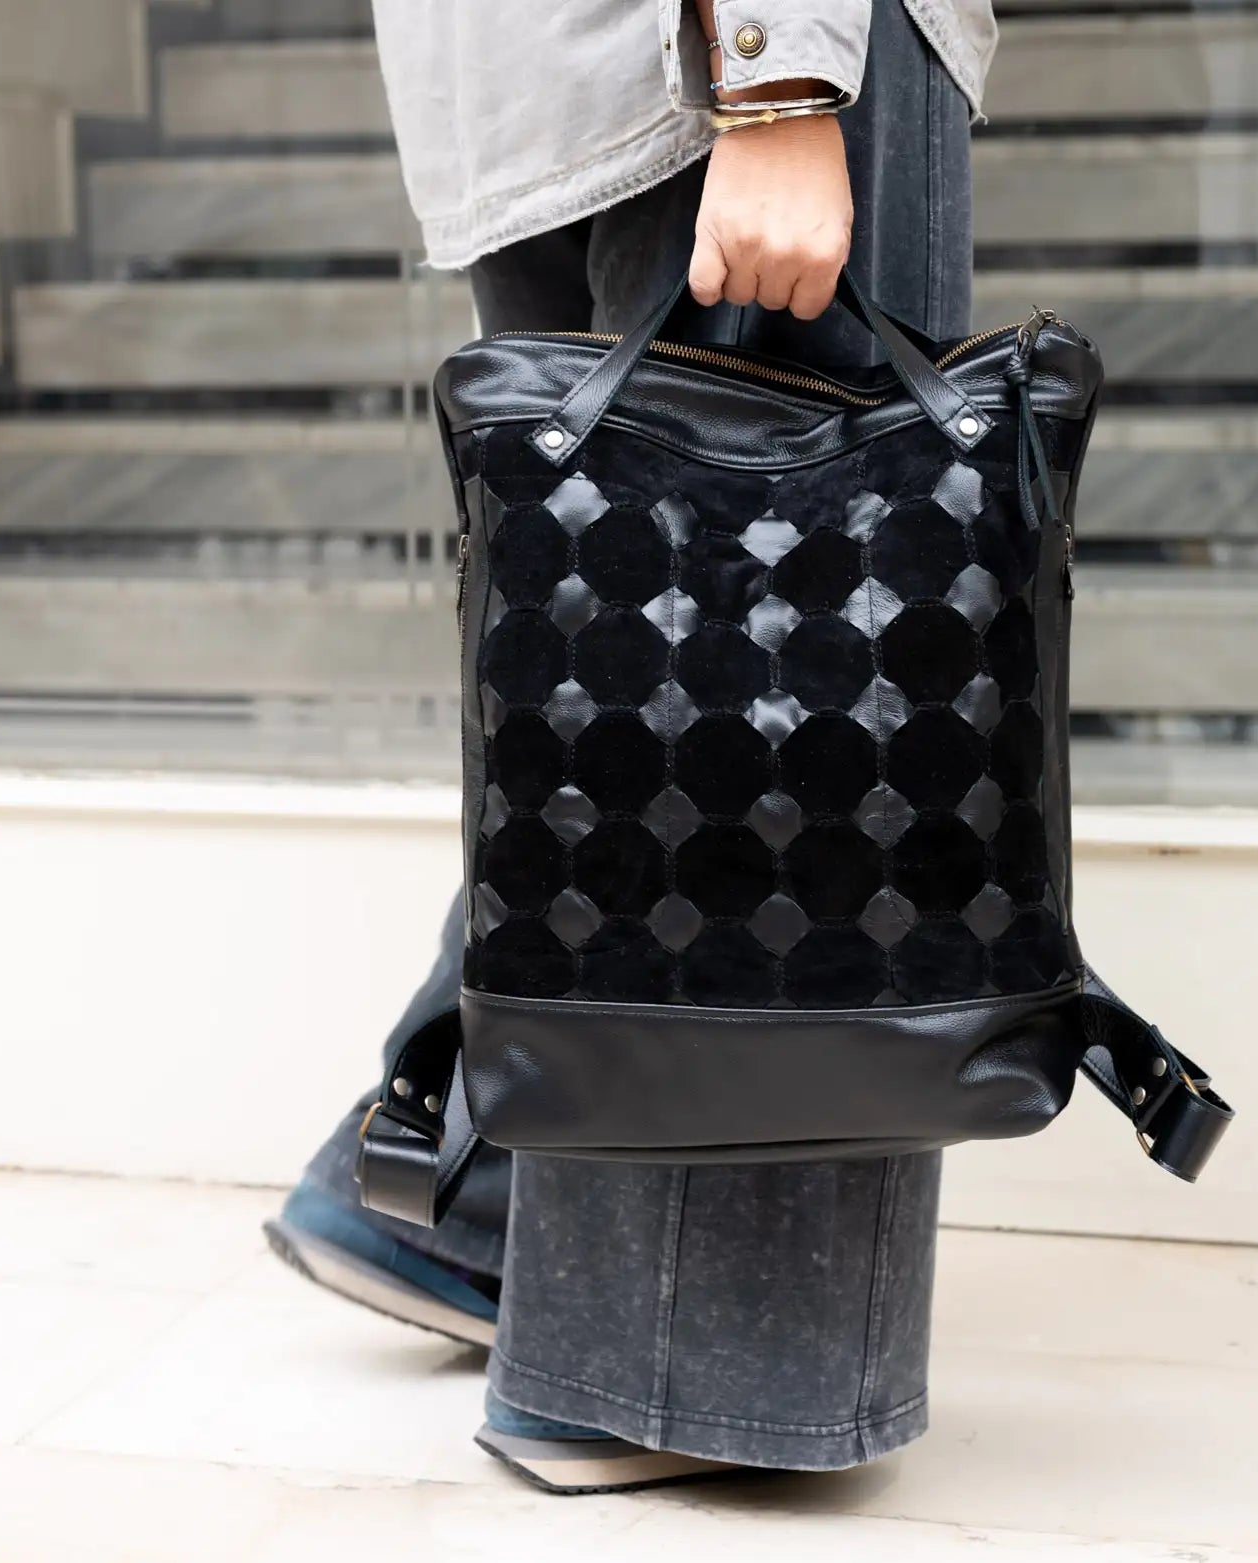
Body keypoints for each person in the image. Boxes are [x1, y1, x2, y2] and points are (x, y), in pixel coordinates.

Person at [268, 0, 999, 1493]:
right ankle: (647, 1375)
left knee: (616, 700)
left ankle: (458, 1192)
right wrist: (783, 80)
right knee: (786, 710)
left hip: (537, 82)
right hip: (729, 62)